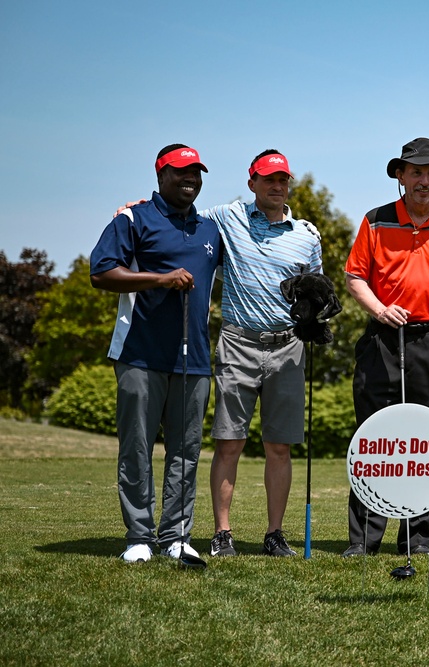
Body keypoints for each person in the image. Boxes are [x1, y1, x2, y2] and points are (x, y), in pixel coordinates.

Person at [342, 137, 429, 557]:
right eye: (416, 171)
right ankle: (363, 541)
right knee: (375, 441)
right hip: (383, 339)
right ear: (399, 176)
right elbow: (355, 279)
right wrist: (380, 310)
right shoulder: (376, 220)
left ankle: (417, 540)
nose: (425, 180)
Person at [91, 144, 221, 564]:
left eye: (196, 173)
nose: (191, 179)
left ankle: (176, 536)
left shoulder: (209, 229)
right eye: (182, 171)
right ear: (160, 173)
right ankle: (139, 537)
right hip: (139, 354)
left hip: (195, 359)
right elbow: (102, 272)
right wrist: (159, 279)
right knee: (137, 447)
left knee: (186, 451)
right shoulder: (132, 218)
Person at [200, 150, 324, 558]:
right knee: (228, 442)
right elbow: (178, 213)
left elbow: (315, 290)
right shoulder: (226, 217)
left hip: (288, 347)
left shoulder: (307, 234)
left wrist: (314, 315)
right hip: (238, 342)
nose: (276, 186)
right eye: (268, 179)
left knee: (280, 446)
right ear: (252, 182)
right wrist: (133, 209)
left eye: (283, 180)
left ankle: (274, 534)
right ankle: (223, 533)